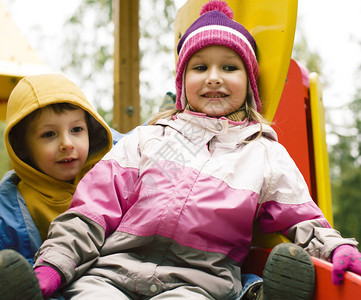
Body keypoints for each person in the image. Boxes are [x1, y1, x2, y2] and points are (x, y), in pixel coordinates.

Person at [4, 1, 361, 299]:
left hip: (196, 282)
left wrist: (336, 248)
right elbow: (91, 211)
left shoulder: (264, 155)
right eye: (200, 67)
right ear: (182, 82)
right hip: (112, 272)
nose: (214, 77)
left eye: (230, 67)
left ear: (250, 83)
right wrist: (52, 266)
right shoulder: (148, 139)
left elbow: (302, 217)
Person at [0, 73, 121, 298]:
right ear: (22, 147)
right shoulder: (9, 210)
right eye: (49, 134)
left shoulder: (114, 169)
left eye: (76, 130)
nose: (67, 143)